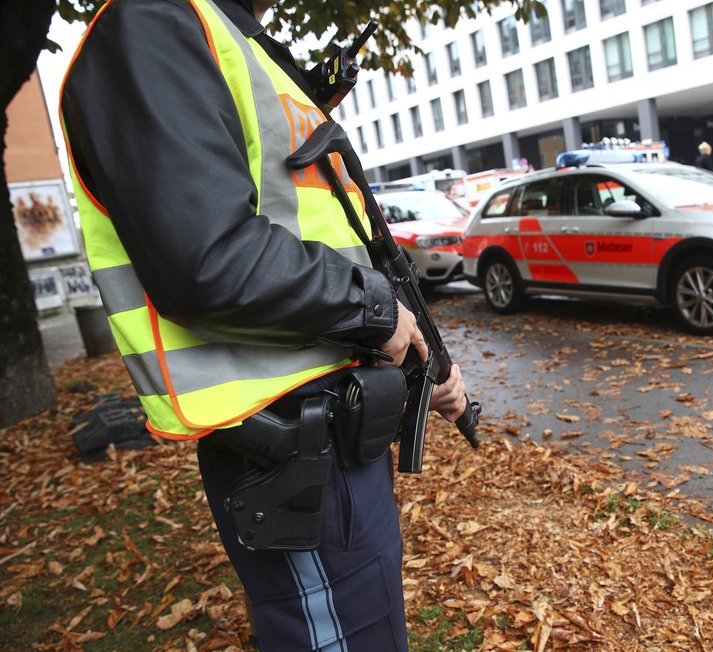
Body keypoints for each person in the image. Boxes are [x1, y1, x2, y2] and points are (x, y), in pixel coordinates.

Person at [59, 1, 468, 650]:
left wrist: (427, 360)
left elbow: (342, 239)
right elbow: (208, 259)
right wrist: (377, 311)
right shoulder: (152, 22)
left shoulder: (236, 41)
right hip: (291, 451)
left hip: (333, 439)